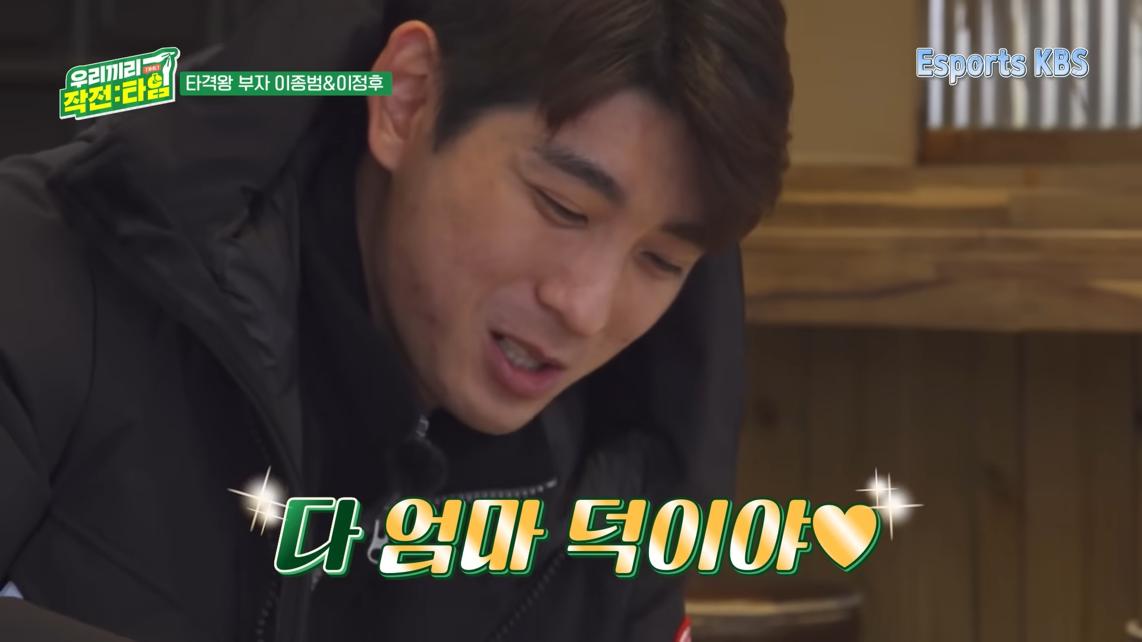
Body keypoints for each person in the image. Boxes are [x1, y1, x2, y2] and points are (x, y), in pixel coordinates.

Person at [0, 0, 792, 639]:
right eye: (562, 207)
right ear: (407, 99)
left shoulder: (627, 457)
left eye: (661, 262)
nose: (584, 309)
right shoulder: (48, 276)